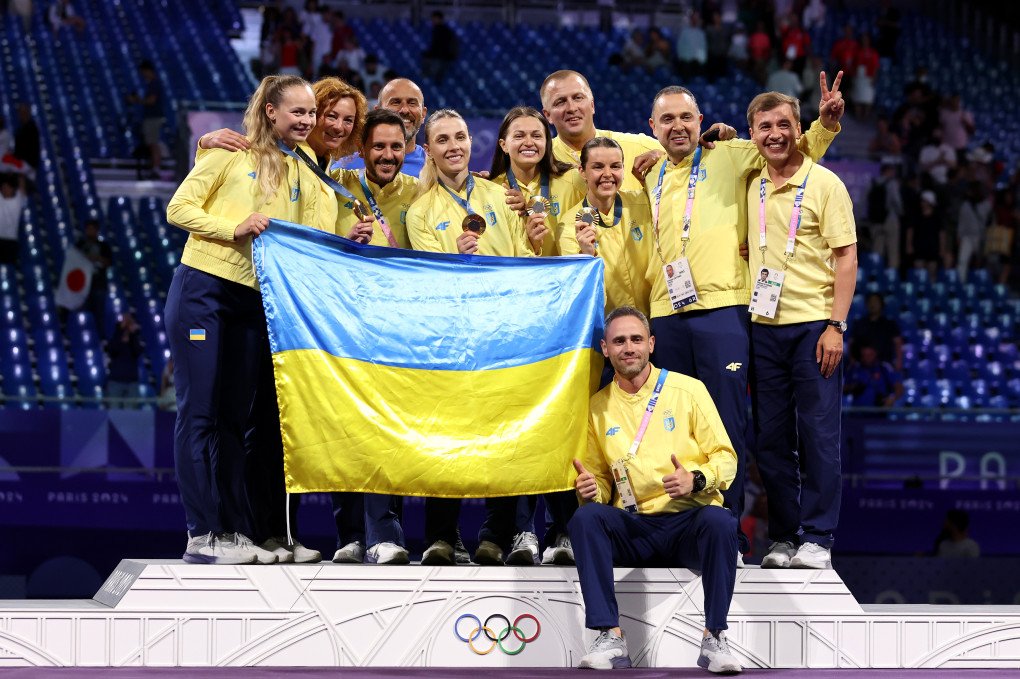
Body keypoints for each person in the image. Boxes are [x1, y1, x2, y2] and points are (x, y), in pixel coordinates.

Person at [641, 80, 842, 565]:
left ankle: (726, 536)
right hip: (665, 315)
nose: (678, 126)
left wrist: (827, 125)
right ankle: (678, 532)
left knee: (727, 428)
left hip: (726, 311)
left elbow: (791, 149)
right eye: (666, 119)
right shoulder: (645, 174)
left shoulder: (732, 153)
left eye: (686, 117)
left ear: (700, 119)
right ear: (652, 129)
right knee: (673, 429)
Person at [165, 74, 324, 566]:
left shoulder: (306, 166)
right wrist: (230, 227)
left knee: (235, 420)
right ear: (271, 112)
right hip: (204, 290)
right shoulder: (227, 152)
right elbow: (178, 208)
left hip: (255, 299)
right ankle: (201, 533)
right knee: (201, 414)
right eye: (297, 112)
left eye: (312, 113)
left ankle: (234, 532)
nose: (308, 121)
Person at [570, 306, 741, 674]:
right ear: (605, 348)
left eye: (635, 339)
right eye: (619, 341)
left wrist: (696, 478)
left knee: (722, 522)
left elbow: (727, 459)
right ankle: (609, 635)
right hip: (634, 527)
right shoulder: (596, 407)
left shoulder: (688, 390)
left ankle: (715, 638)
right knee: (586, 518)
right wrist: (590, 489)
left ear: (651, 343)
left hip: (686, 523)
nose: (628, 347)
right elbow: (598, 479)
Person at [407, 110, 540, 566]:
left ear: (472, 141)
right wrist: (455, 257)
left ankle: (495, 535)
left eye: (460, 137)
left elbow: (525, 257)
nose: (454, 146)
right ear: (428, 150)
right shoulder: (421, 211)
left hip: (504, 334)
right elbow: (429, 278)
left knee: (503, 437)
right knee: (448, 438)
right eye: (442, 140)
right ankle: (441, 536)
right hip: (451, 338)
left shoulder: (503, 196)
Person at [745, 91, 857, 570]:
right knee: (770, 440)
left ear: (798, 128)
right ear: (752, 134)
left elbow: (846, 256)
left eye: (783, 125)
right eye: (764, 126)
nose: (775, 134)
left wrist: (836, 324)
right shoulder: (750, 183)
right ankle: (785, 536)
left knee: (818, 436)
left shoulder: (825, 184)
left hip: (814, 326)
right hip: (762, 327)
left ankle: (818, 536)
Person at [540, 70, 662, 192]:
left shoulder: (638, 147)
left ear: (592, 105)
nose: (571, 108)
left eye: (578, 98)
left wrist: (665, 156)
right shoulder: (540, 160)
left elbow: (680, 163)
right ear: (548, 115)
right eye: (560, 102)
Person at [489, 105, 584, 257]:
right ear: (504, 145)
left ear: (547, 143)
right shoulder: (492, 189)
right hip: (520, 275)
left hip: (568, 276)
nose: (528, 142)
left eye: (537, 136)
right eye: (519, 136)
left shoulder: (573, 179)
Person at [339, 78, 428, 177]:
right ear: (378, 111)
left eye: (412, 103)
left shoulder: (436, 169)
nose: (405, 110)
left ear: (423, 115)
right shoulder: (344, 170)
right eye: (396, 102)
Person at [126, 60, 165, 179]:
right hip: (152, 117)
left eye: (143, 72)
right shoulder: (152, 84)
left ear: (148, 71)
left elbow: (151, 100)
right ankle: (155, 168)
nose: (143, 75)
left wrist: (138, 100)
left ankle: (156, 169)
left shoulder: (154, 84)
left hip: (153, 117)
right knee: (151, 143)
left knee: (153, 143)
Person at [76, 218, 113, 335]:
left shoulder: (104, 246)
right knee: (83, 315)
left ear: (97, 230)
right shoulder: (80, 245)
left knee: (99, 315)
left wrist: (97, 258)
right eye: (88, 229)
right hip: (82, 287)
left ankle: (100, 339)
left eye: (93, 229)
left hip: (98, 286)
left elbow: (109, 262)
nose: (90, 231)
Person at [850, 293, 903, 372]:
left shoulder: (889, 324)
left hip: (884, 365)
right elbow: (851, 343)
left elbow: (898, 343)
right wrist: (852, 361)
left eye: (875, 302)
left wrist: (899, 361)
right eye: (870, 302)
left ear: (881, 304)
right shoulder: (859, 324)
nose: (872, 304)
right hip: (862, 366)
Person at [844, 340, 903, 407]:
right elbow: (843, 389)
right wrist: (853, 387)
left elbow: (899, 388)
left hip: (879, 413)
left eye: (869, 355)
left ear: (875, 353)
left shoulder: (884, 368)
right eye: (864, 355)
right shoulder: (855, 368)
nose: (867, 358)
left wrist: (892, 398)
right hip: (857, 413)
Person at [106, 311, 142, 408]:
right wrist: (120, 330)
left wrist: (133, 334)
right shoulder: (115, 335)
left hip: (132, 382)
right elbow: (111, 350)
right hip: (115, 381)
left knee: (130, 415)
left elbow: (137, 352)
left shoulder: (135, 338)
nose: (127, 323)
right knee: (114, 413)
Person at [422, 10, 458, 83]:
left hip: (442, 57)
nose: (432, 21)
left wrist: (430, 54)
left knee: (435, 72)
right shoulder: (441, 30)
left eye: (434, 19)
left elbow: (438, 46)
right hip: (442, 57)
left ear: (438, 19)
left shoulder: (441, 31)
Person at [0, 173, 25, 265]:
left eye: (7, 187)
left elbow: (22, 187)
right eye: (3, 187)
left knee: (9, 266)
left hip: (11, 241)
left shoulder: (18, 201)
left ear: (12, 189)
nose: (5, 189)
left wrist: (18, 173)